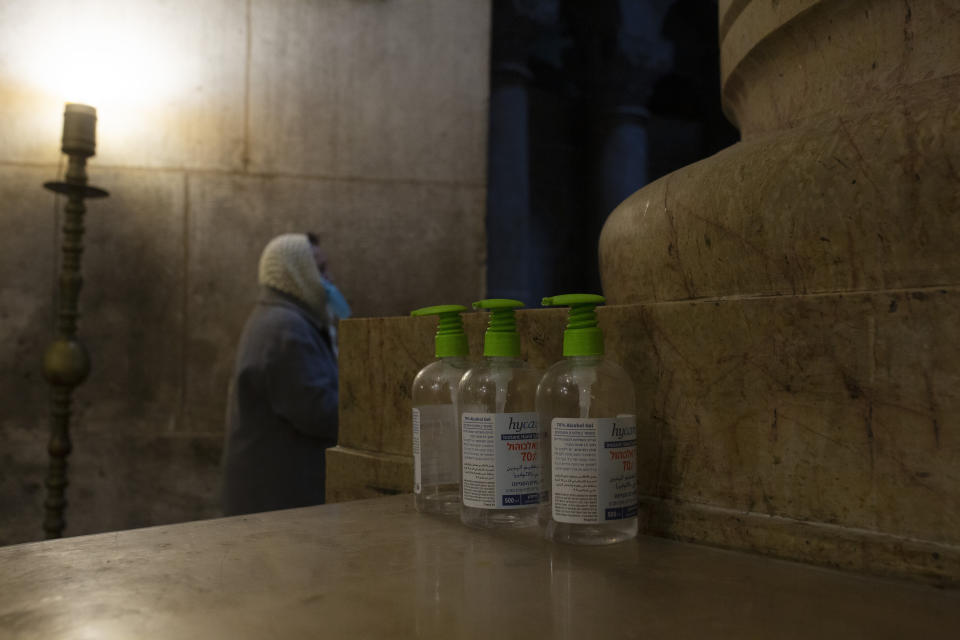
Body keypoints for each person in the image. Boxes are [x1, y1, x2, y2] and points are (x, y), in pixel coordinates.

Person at [220, 232, 344, 515]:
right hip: (277, 495)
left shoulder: (284, 319)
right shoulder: (285, 328)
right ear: (296, 272)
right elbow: (319, 412)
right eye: (321, 270)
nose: (330, 279)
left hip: (272, 492)